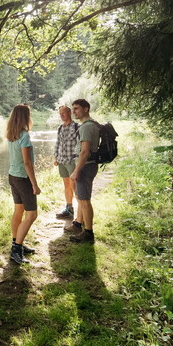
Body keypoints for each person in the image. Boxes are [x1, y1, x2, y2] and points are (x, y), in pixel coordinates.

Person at [6, 104, 41, 264]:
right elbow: (27, 163)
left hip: (13, 176)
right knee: (32, 214)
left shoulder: (11, 133)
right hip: (23, 178)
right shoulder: (25, 135)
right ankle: (16, 249)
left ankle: (17, 242)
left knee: (18, 211)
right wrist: (34, 184)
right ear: (25, 117)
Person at [69, 99, 99, 243]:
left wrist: (76, 170)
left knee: (84, 200)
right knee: (81, 197)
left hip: (85, 166)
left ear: (86, 109)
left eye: (76, 108)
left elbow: (85, 152)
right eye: (73, 109)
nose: (73, 111)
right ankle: (79, 225)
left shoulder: (86, 127)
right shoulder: (90, 124)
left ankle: (88, 233)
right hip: (87, 165)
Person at [53, 105, 78, 220]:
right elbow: (58, 144)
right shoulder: (60, 128)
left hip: (72, 160)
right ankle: (69, 209)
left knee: (75, 185)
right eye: (60, 113)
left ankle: (81, 213)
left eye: (64, 113)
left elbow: (80, 145)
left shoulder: (76, 127)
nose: (61, 115)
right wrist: (56, 157)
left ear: (70, 113)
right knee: (66, 184)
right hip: (62, 161)